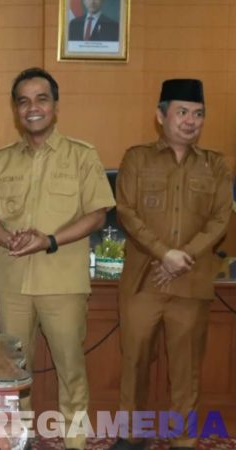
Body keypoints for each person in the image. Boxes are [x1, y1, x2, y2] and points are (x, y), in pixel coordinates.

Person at [0, 67, 115, 450]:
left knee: (71, 369)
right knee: (13, 372)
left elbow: (98, 213)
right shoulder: (3, 160)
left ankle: (74, 443)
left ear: (55, 106)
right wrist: (9, 239)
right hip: (12, 279)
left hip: (62, 281)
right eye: (23, 101)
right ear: (15, 110)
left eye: (41, 99)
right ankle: (19, 441)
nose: (32, 108)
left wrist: (49, 240)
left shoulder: (82, 156)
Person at [109, 79, 231, 450]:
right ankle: (132, 435)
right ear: (160, 116)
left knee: (186, 370)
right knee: (134, 363)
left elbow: (221, 218)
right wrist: (165, 253)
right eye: (182, 112)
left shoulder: (215, 166)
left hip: (191, 284)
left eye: (198, 114)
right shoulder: (136, 158)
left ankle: (184, 439)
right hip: (144, 281)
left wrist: (182, 257)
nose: (190, 121)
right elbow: (127, 212)